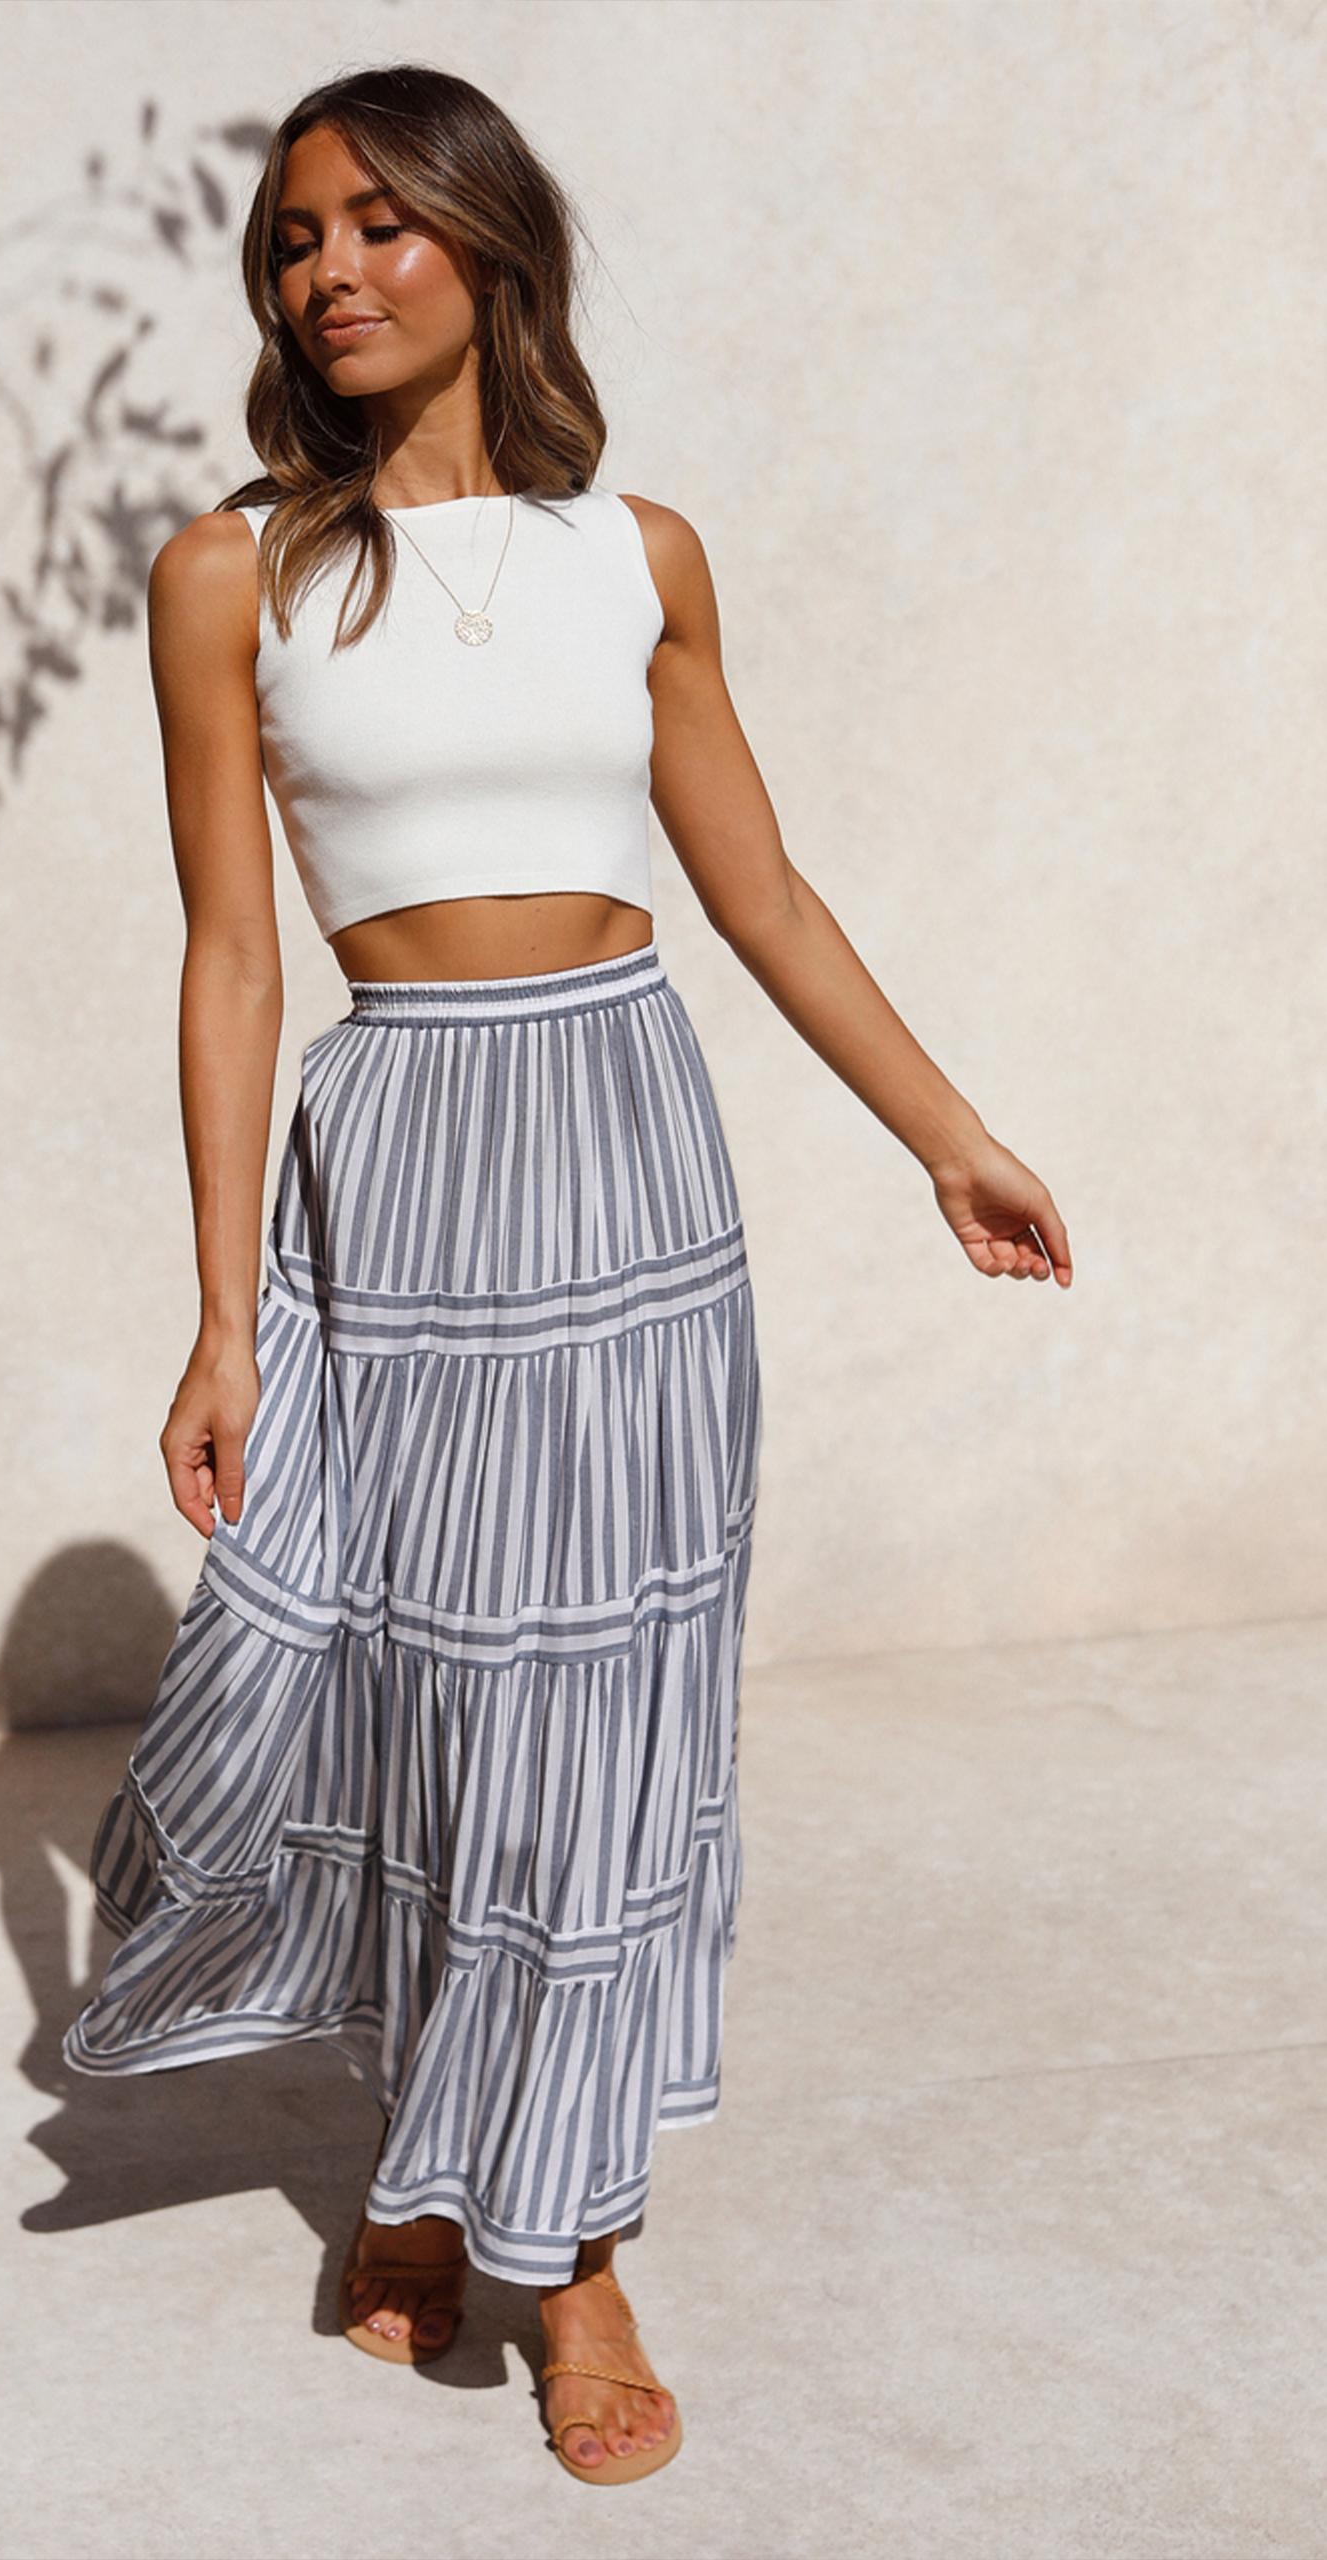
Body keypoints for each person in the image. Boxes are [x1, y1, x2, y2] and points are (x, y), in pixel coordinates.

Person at [62, 63, 1072, 2489]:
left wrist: (947, 1133)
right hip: (399, 1170)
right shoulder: (229, 576)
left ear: (487, 241)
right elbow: (231, 960)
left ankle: (571, 2237)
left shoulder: (639, 555)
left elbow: (761, 893)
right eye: (292, 236)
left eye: (376, 222)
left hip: (625, 1161)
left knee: (598, 1716)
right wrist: (223, 1315)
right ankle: (431, 2156)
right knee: (425, 1703)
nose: (327, 269)